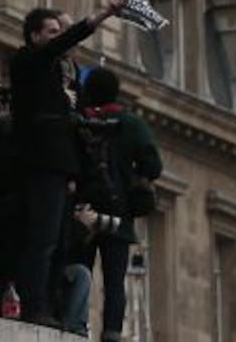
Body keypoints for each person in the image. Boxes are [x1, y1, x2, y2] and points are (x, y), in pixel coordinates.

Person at [9, 0, 127, 327]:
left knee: (60, 243)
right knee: (42, 240)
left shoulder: (58, 79)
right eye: (50, 31)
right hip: (42, 162)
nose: (57, 36)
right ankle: (35, 306)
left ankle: (52, 306)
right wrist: (102, 15)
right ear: (34, 37)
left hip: (61, 167)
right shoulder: (28, 61)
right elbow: (63, 44)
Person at [57, 66, 163, 341]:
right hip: (118, 211)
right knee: (115, 280)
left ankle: (74, 324)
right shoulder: (131, 124)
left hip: (83, 209)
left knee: (80, 269)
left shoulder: (79, 121)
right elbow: (153, 165)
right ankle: (113, 332)